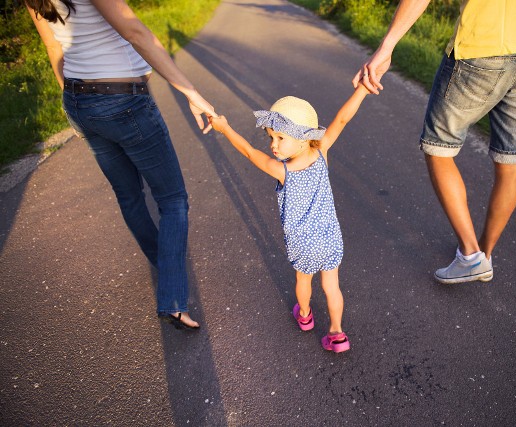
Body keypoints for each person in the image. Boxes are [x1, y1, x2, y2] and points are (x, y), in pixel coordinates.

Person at [354, 0, 516, 284]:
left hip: (482, 46)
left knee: (438, 146)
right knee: (511, 159)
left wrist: (387, 46)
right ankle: (484, 254)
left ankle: (470, 255)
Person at [26, 0, 219, 329]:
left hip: (77, 98)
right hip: (123, 101)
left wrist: (76, 100)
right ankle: (172, 299)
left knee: (129, 195)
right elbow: (135, 32)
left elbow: (51, 43)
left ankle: (165, 265)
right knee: (172, 199)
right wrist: (191, 93)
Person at [210, 85, 370, 352]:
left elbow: (249, 152)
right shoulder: (322, 153)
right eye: (271, 137)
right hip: (330, 239)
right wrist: (363, 91)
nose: (273, 145)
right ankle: (337, 334)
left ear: (303, 138)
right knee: (332, 287)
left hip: (303, 245)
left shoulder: (281, 171)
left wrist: (225, 128)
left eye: (280, 138)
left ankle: (305, 315)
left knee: (303, 281)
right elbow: (342, 118)